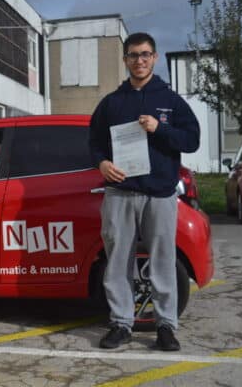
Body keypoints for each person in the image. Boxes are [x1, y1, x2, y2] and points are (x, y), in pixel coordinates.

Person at [88, 32, 200, 351]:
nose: (140, 60)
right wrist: (102, 164)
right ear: (125, 60)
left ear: (155, 57)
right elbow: (94, 143)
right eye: (134, 55)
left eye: (145, 54)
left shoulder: (171, 101)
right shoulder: (112, 103)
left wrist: (159, 128)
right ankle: (121, 324)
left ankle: (165, 326)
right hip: (120, 193)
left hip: (160, 194)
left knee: (162, 261)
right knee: (118, 260)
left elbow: (191, 141)